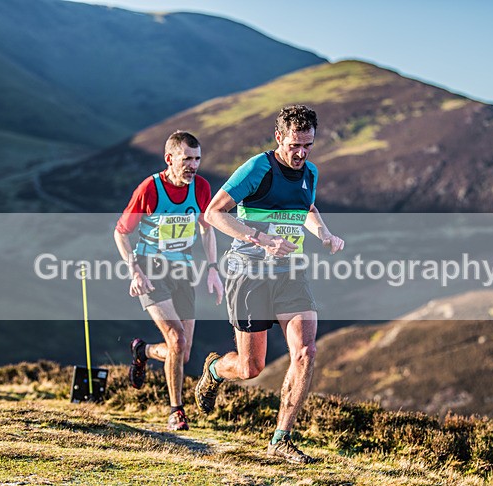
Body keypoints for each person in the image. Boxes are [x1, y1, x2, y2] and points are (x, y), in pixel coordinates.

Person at [197, 105, 345, 463]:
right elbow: (213, 213)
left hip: (291, 273)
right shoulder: (257, 169)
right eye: (295, 145)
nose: (301, 153)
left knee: (306, 351)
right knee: (250, 368)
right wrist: (261, 239)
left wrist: (324, 234)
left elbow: (307, 209)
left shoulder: (310, 172)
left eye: (308, 145)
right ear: (279, 137)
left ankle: (280, 439)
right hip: (248, 273)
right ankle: (215, 370)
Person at [114, 130, 223, 432]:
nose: (193, 165)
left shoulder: (201, 187)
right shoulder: (150, 188)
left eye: (197, 159)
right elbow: (121, 232)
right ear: (169, 158)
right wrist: (135, 270)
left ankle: (143, 351)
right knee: (176, 339)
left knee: (182, 353)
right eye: (187, 159)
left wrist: (213, 268)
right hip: (151, 270)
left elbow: (207, 228)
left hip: (183, 271)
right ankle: (176, 411)